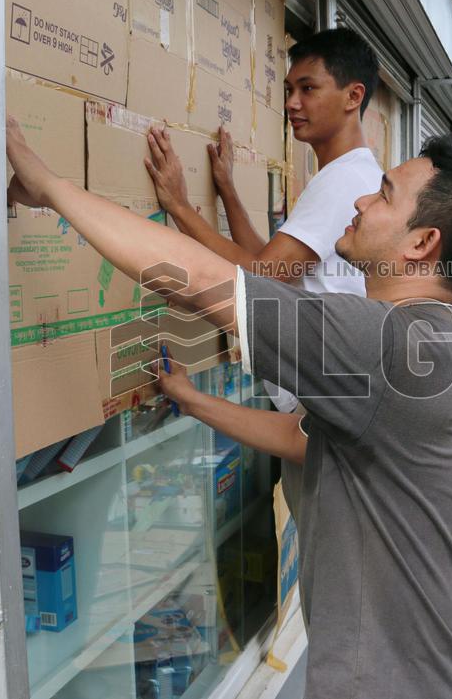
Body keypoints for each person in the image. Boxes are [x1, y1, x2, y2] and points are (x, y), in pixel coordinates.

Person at [6, 124, 452, 698]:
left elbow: (198, 280)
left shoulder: (386, 344)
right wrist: (193, 400)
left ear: (421, 243)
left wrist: (45, 182)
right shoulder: (424, 340)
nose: (360, 200)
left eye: (384, 195)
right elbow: (301, 437)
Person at [142, 28, 383, 519]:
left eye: (309, 88)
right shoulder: (344, 177)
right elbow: (279, 267)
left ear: (352, 96)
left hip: (321, 415)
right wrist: (228, 191)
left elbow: (260, 274)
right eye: (289, 90)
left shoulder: (342, 182)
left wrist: (180, 207)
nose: (293, 103)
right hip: (324, 406)